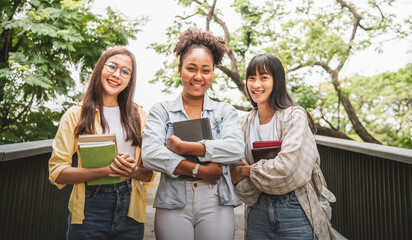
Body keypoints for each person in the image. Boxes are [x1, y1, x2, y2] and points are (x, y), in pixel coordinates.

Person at [142, 29, 244, 240]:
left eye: (206, 70)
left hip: (215, 198)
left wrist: (185, 148)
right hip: (173, 199)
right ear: (179, 70)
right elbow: (150, 154)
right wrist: (199, 170)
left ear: (213, 73)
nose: (198, 77)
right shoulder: (162, 111)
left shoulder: (225, 111)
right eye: (191, 69)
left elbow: (235, 149)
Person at [48, 47, 153, 240]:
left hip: (130, 209)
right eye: (112, 66)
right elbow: (57, 172)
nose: (116, 75)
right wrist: (105, 171)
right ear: (100, 69)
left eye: (125, 71)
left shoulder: (139, 116)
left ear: (130, 80)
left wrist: (133, 172)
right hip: (89, 209)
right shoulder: (75, 115)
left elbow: (148, 174)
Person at [231, 54, 335, 239]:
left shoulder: (294, 115)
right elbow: (233, 169)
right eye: (251, 78)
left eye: (264, 77)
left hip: (295, 207)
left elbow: (287, 167)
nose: (256, 84)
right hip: (257, 209)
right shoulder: (244, 123)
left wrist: (247, 171)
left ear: (277, 81)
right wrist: (252, 172)